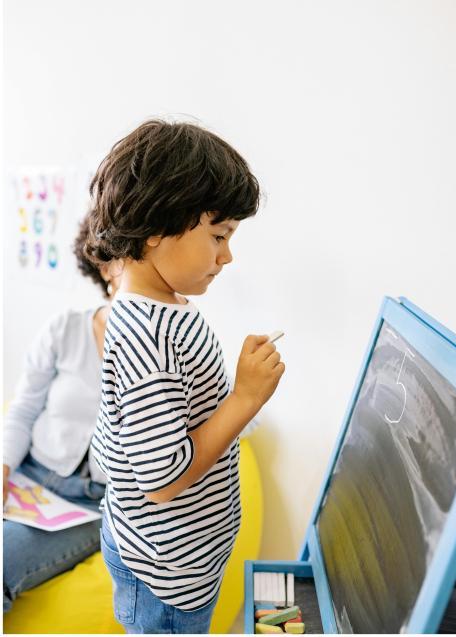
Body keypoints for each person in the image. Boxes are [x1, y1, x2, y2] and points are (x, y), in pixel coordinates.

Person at [84, 119, 285, 634]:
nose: (228, 255)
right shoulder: (144, 331)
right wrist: (244, 398)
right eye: (218, 236)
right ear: (156, 229)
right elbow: (163, 479)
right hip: (164, 576)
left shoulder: (167, 305)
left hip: (173, 558)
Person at [3, 216, 123, 613]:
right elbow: (22, 409)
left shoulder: (171, 347)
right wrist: (3, 468)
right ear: (104, 265)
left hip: (93, 505)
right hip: (29, 474)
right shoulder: (64, 329)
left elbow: (237, 414)